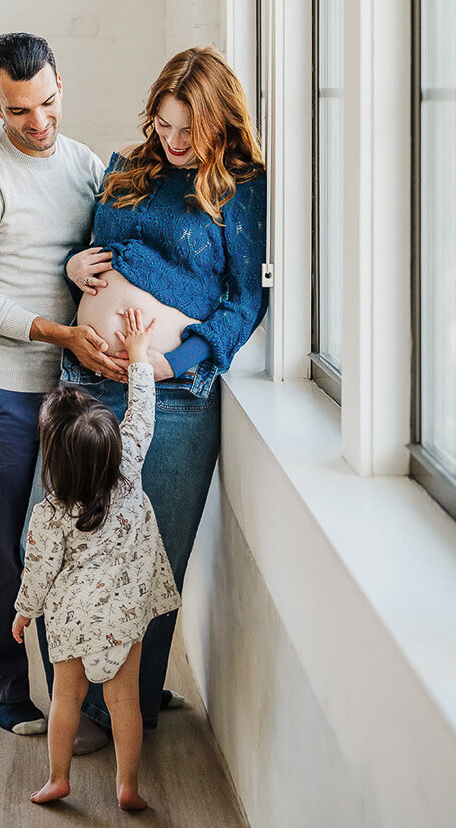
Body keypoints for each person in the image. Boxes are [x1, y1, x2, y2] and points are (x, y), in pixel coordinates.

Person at [31, 45, 267, 749]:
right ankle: (78, 701)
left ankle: (124, 705)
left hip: (173, 399)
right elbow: (81, 247)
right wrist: (73, 264)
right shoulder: (126, 167)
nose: (173, 142)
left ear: (220, 119)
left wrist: (169, 363)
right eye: (163, 125)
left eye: (188, 129)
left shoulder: (240, 187)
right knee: (53, 542)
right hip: (83, 383)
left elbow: (243, 301)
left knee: (150, 556)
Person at [0, 31, 127, 737]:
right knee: (9, 545)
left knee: (75, 543)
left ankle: (86, 692)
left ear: (59, 85)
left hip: (68, 387)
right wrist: (61, 331)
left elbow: (94, 248)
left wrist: (78, 267)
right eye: (20, 110)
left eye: (47, 102)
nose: (38, 121)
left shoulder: (81, 163)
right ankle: (8, 693)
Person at [13, 308, 180, 811]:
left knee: (67, 698)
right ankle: (127, 785)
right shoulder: (128, 463)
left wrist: (24, 612)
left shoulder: (51, 510)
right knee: (122, 700)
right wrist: (137, 353)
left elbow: (38, 570)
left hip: (71, 618)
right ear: (110, 444)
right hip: (123, 614)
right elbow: (142, 409)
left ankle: (58, 778)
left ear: (54, 459)